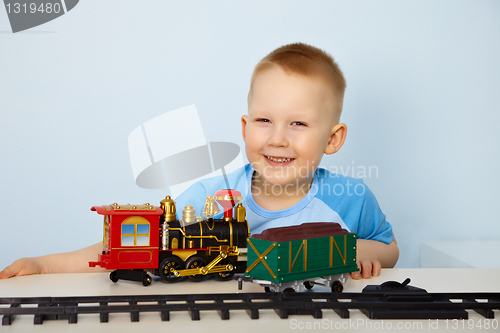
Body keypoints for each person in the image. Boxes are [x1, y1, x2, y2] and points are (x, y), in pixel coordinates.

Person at [0, 43, 398, 280]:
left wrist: (365, 252)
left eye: (298, 123)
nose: (277, 138)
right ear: (245, 128)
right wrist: (46, 263)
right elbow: (138, 243)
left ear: (333, 139)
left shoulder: (351, 197)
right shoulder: (210, 195)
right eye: (264, 120)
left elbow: (390, 247)